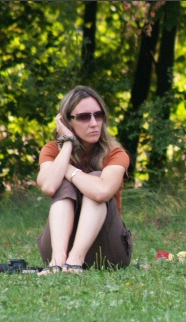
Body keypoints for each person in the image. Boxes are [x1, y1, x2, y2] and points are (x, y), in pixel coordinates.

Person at [36, 85, 133, 274]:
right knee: (62, 185)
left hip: (107, 250)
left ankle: (75, 261)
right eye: (83, 117)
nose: (94, 123)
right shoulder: (52, 150)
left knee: (96, 180)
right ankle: (58, 262)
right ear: (67, 122)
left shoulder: (115, 153)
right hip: (58, 249)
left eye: (98, 115)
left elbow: (102, 191)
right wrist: (67, 145)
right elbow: (48, 186)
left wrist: (67, 169)